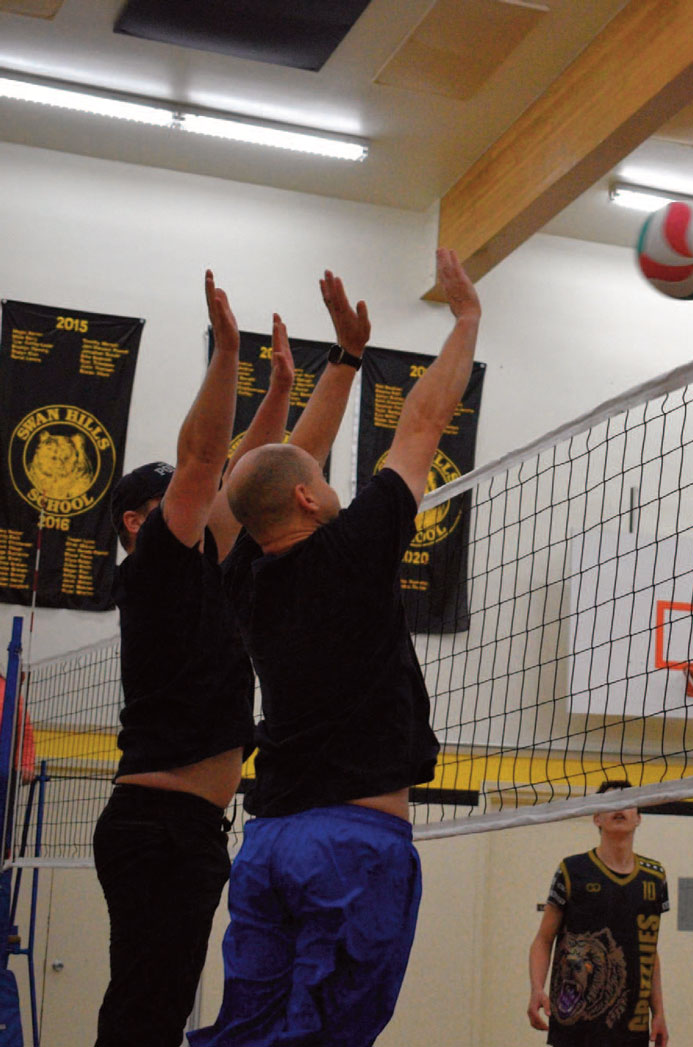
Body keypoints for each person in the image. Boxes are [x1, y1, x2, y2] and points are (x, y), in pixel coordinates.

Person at [191, 248, 480, 1047]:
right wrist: (466, 319)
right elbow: (422, 420)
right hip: (351, 847)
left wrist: (345, 362)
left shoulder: (241, 572)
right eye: (319, 476)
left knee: (247, 1031)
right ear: (311, 498)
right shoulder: (355, 549)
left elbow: (267, 475)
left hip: (271, 842)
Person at [92, 272, 294, 1047]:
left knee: (153, 1011)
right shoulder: (154, 565)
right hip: (159, 828)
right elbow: (207, 453)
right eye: (186, 492)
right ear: (140, 518)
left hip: (190, 829)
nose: (206, 497)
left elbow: (244, 468)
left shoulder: (208, 568)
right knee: (144, 1016)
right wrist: (228, 355)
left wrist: (276, 387)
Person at [528, 779, 669, 1047]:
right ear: (596, 819)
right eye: (610, 803)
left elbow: (649, 951)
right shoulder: (572, 870)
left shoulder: (655, 876)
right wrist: (537, 988)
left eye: (627, 803)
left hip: (630, 1026)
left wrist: (659, 1012)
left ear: (638, 818)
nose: (619, 809)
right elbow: (543, 939)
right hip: (575, 1026)